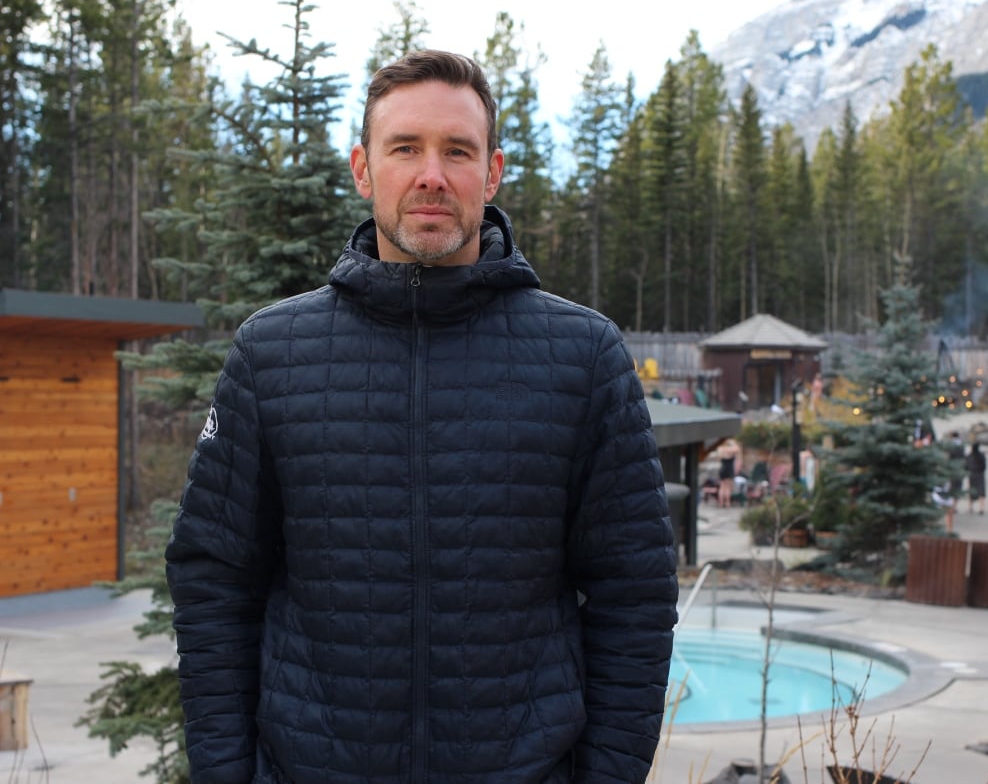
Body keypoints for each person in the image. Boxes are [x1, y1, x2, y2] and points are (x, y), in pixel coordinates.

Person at [165, 50, 679, 784]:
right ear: (363, 169)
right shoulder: (271, 353)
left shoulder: (584, 356)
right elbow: (213, 575)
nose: (431, 174)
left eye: (457, 151)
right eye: (405, 147)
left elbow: (636, 589)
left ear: (492, 172)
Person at [715, 437, 742, 508]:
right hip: (729, 469)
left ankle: (721, 503)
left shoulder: (721, 449)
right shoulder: (732, 449)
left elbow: (718, 457)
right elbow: (737, 449)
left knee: (722, 487)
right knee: (727, 487)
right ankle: (727, 503)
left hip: (722, 469)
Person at [966, 441, 988, 514]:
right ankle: (981, 508)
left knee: (971, 491)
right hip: (980, 474)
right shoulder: (982, 456)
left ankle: (970, 507)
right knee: (981, 492)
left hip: (971, 475)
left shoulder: (969, 456)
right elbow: (984, 466)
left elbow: (966, 466)